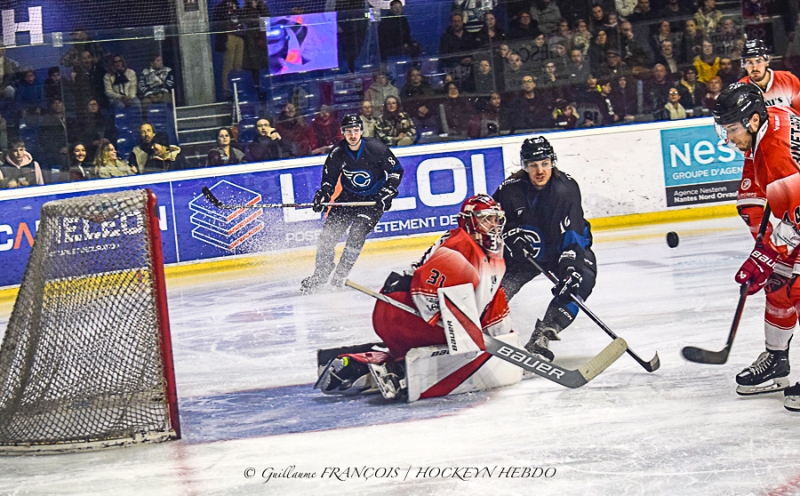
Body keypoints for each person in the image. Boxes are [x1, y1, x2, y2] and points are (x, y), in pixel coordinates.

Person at [316, 194, 511, 398]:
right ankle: (401, 373)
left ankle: (359, 363)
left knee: (413, 346)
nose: (493, 225)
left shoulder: (484, 252)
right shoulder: (461, 245)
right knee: (465, 341)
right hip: (404, 312)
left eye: (496, 219)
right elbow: (425, 293)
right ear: (468, 220)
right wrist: (476, 338)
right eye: (485, 218)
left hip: (393, 313)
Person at [712, 83, 800, 409]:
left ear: (750, 121)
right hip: (794, 202)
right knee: (778, 281)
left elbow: (796, 220)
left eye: (731, 129)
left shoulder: (776, 155)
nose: (727, 138)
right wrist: (766, 255)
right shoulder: (770, 118)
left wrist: (766, 253)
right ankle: (777, 359)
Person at [492, 136, 596, 361]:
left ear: (552, 162)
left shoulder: (565, 190)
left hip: (562, 251)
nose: (540, 170)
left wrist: (570, 270)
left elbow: (574, 233)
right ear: (524, 166)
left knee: (580, 281)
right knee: (495, 293)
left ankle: (544, 334)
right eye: (533, 165)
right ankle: (484, 329)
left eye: (545, 163)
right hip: (526, 256)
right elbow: (493, 223)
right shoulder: (509, 190)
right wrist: (511, 236)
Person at [300, 115, 403, 294]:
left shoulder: (376, 148)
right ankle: (321, 274)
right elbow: (329, 179)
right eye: (348, 131)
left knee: (357, 233)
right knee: (327, 237)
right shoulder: (337, 153)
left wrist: (388, 192)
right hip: (348, 199)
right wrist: (323, 194)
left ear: (362, 131)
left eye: (356, 130)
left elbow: (396, 171)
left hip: (372, 201)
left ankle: (340, 276)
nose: (353, 134)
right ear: (343, 133)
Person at [738, 39, 800, 110]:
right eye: (749, 62)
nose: (754, 67)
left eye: (759, 61)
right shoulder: (740, 89)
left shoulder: (788, 79)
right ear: (744, 65)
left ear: (767, 62)